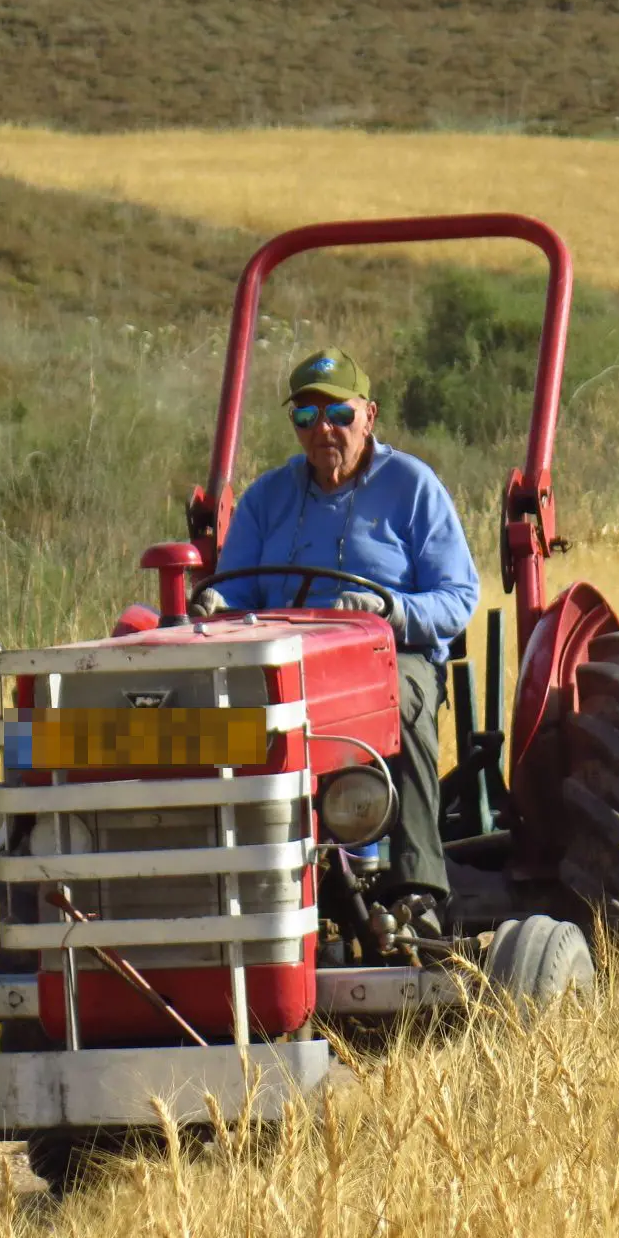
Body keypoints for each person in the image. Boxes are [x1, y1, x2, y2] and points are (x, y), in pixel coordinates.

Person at [191, 347, 478, 911]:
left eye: (338, 415)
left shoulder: (412, 486)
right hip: (281, 659)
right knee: (199, 718)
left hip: (391, 656)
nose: (323, 429)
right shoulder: (267, 497)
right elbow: (238, 588)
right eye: (306, 417)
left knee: (397, 708)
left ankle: (416, 886)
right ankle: (214, 872)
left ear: (369, 415)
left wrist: (392, 610)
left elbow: (458, 596)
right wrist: (215, 601)